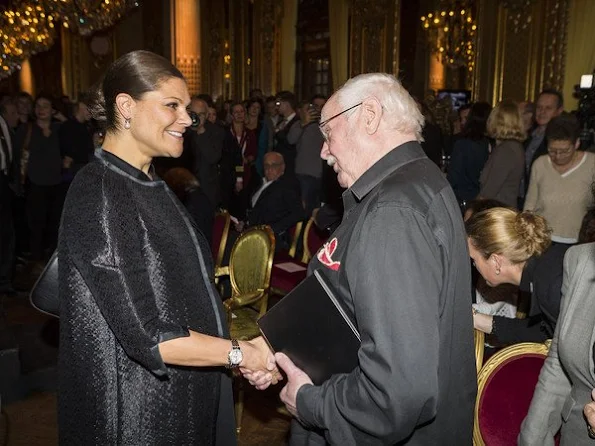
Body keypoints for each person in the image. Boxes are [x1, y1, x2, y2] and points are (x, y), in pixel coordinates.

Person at [58, 50, 278, 444]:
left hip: (181, 398)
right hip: (137, 417)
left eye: (188, 108)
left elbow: (188, 295)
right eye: (172, 105)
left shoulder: (149, 184)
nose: (187, 120)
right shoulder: (102, 191)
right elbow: (148, 334)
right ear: (125, 106)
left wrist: (235, 354)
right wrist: (240, 353)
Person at [268, 73, 476, 444]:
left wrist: (310, 402)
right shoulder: (421, 178)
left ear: (368, 115)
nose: (323, 150)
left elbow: (396, 392)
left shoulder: (392, 211)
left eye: (328, 132)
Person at [519, 242, 595, 445]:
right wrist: (532, 439)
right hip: (576, 435)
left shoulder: (546, 282)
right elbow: (559, 360)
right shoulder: (580, 259)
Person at [467, 207, 569, 344]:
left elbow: (568, 348)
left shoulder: (551, 287)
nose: (474, 266)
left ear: (496, 262)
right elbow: (545, 331)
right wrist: (478, 320)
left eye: (474, 260)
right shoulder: (545, 266)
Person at [524, 113, 595, 244]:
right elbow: (530, 204)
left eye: (564, 151)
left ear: (577, 143)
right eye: (552, 150)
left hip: (578, 241)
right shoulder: (540, 164)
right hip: (543, 240)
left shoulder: (591, 164)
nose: (557, 156)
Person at [237, 151, 304, 252]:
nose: (269, 169)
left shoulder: (286, 186)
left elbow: (298, 213)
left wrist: (272, 229)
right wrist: (245, 222)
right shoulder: (260, 183)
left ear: (282, 167)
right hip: (252, 234)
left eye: (274, 165)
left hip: (271, 240)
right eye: (266, 165)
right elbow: (256, 210)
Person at [478, 100, 526, 208]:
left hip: (498, 213)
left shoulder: (506, 150)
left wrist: (471, 211)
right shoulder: (514, 147)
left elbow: (488, 192)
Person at [448, 102, 492, 206]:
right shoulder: (490, 143)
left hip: (463, 200)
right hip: (483, 200)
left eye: (466, 118)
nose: (463, 122)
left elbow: (453, 177)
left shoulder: (463, 144)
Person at [288, 99, 325, 217]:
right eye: (314, 106)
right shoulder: (299, 124)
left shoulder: (328, 124)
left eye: (321, 106)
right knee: (304, 211)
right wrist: (304, 124)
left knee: (318, 211)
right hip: (304, 175)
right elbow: (290, 140)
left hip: (324, 176)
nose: (317, 109)